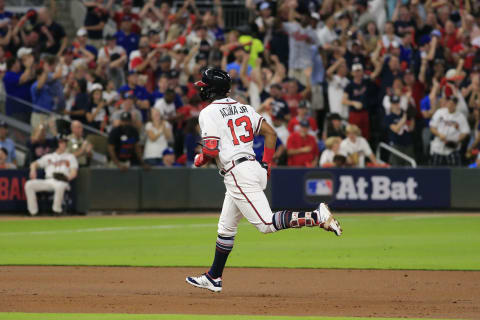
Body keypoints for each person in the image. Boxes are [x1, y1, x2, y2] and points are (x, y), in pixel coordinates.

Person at [185, 68, 342, 293]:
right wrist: (266, 166)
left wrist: (200, 159)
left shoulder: (208, 113)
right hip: (253, 166)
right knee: (226, 226)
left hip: (238, 172)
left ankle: (316, 216)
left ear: (211, 89)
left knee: (266, 224)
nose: (201, 88)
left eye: (204, 86)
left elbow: (210, 151)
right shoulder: (244, 107)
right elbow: (271, 133)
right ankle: (214, 277)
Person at [25, 134, 78, 216]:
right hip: (49, 180)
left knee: (60, 185)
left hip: (62, 180)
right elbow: (34, 164)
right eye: (61, 142)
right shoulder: (48, 156)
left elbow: (74, 172)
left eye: (65, 142)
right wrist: (32, 170)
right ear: (56, 143)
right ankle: (33, 212)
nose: (64, 144)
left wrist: (67, 178)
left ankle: (56, 211)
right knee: (29, 184)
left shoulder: (70, 156)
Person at [429, 96, 470, 166]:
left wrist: (457, 140)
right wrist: (439, 134)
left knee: (455, 171)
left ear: (456, 105)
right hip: (438, 146)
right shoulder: (439, 112)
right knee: (435, 170)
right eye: (449, 103)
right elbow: (432, 127)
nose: (450, 105)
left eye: (453, 104)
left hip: (452, 148)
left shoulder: (460, 116)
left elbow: (465, 132)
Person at [385, 95, 415, 166]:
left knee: (409, 165)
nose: (396, 105)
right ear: (391, 104)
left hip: (408, 144)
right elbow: (395, 129)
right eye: (394, 103)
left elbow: (411, 128)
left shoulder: (406, 114)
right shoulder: (388, 117)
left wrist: (411, 116)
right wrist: (403, 120)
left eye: (397, 103)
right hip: (396, 144)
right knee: (396, 166)